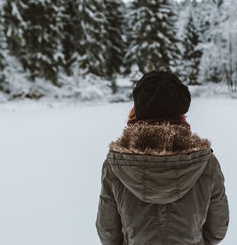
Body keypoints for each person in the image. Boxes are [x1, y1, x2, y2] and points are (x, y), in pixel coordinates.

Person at [96, 70, 229, 245]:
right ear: (181, 113)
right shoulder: (206, 162)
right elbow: (218, 228)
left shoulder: (115, 165)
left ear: (139, 111)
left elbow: (108, 232)